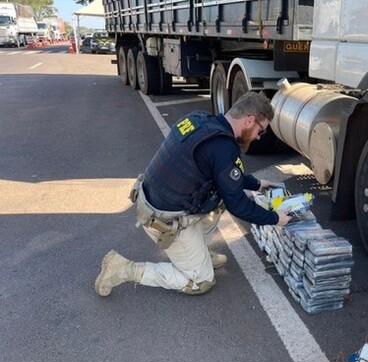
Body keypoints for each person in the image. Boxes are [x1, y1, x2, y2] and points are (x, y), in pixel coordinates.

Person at [94, 92, 291, 297]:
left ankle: (199, 255)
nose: (259, 136)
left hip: (153, 200)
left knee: (218, 198)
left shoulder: (200, 119)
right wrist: (275, 218)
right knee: (201, 282)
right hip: (164, 221)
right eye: (261, 130)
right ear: (250, 120)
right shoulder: (222, 147)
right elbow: (238, 204)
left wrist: (258, 184)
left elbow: (225, 173)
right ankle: (123, 269)